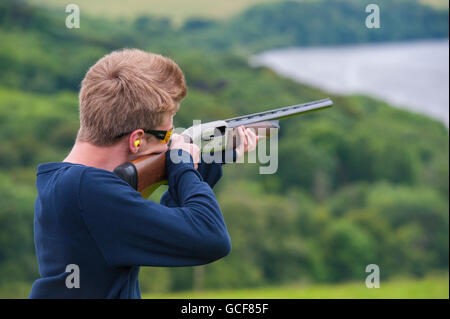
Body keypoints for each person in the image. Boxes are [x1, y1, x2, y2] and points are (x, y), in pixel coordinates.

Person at [29, 49, 257, 298]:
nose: (171, 142)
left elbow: (173, 222)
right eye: (168, 134)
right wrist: (180, 162)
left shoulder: (69, 184)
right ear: (137, 140)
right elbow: (211, 238)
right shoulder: (89, 189)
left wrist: (213, 160)